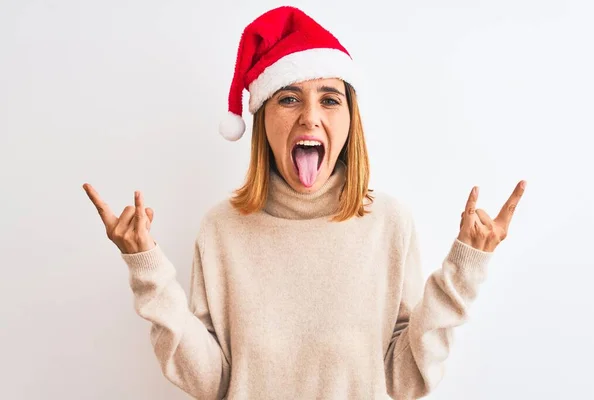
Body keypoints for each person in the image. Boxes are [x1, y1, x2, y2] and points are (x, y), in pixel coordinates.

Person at [83, 6, 526, 400]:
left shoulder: (390, 224)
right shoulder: (222, 229)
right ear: (263, 122)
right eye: (289, 98)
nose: (310, 116)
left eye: (330, 100)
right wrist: (146, 268)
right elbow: (211, 381)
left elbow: (404, 379)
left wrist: (465, 268)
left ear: (351, 122)